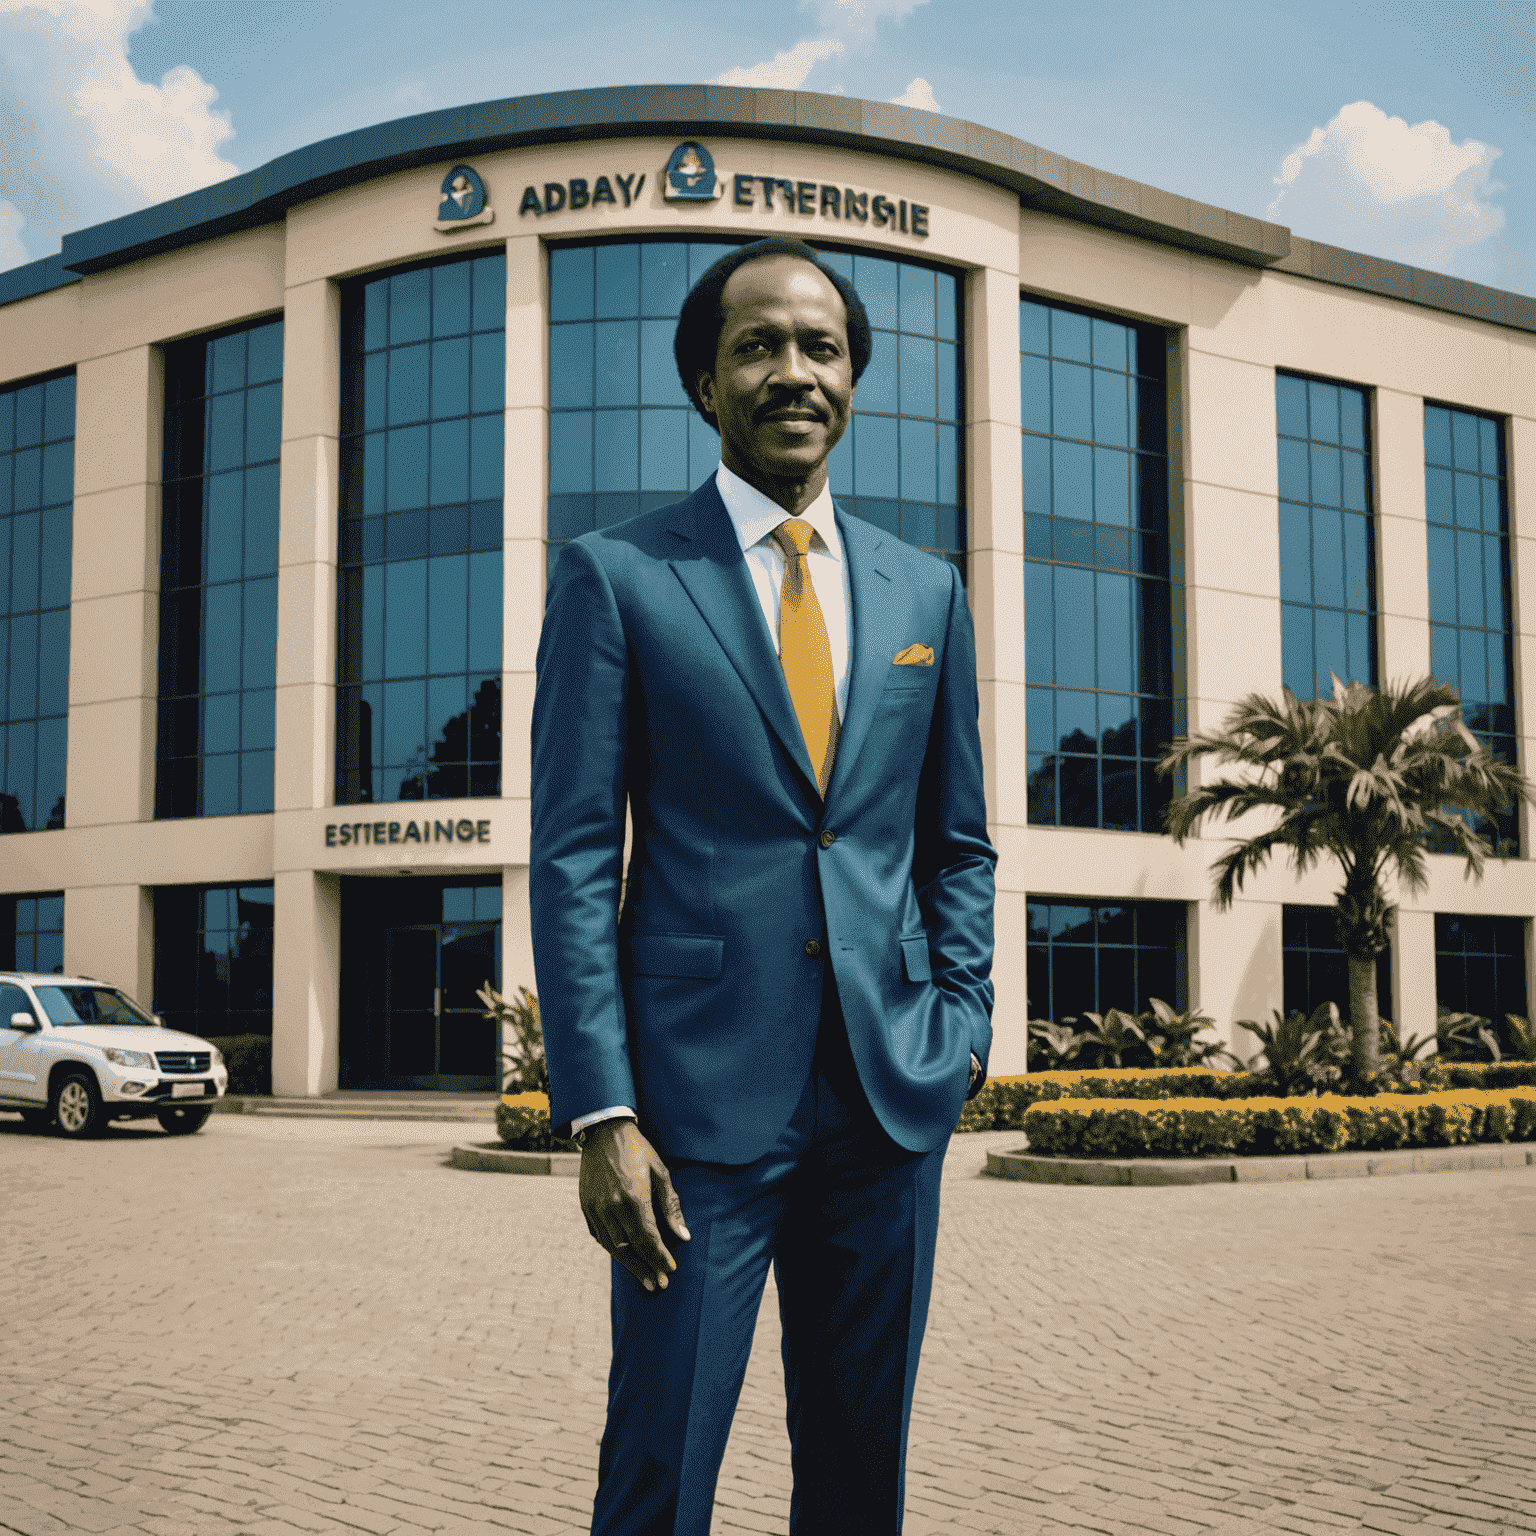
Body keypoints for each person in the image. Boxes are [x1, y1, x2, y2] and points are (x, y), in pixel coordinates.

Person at [529, 236, 997, 1535]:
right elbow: (570, 856)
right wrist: (601, 1113)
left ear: (853, 378)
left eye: (822, 346)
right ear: (704, 382)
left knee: (860, 1477)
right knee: (662, 1474)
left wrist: (961, 1029)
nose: (795, 371)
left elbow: (957, 843)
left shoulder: (929, 592)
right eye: (759, 345)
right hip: (689, 1122)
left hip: (887, 1104)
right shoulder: (618, 577)